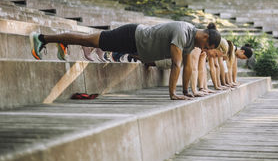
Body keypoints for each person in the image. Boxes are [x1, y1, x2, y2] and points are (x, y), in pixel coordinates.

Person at [29, 21, 221, 100]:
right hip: (132, 36)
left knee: (90, 40)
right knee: (88, 40)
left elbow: (188, 66)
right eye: (206, 47)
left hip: (137, 47)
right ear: (205, 37)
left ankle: (63, 41)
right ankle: (43, 38)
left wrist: (187, 92)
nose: (203, 51)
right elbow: (177, 64)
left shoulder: (190, 42)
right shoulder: (183, 31)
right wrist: (173, 94)